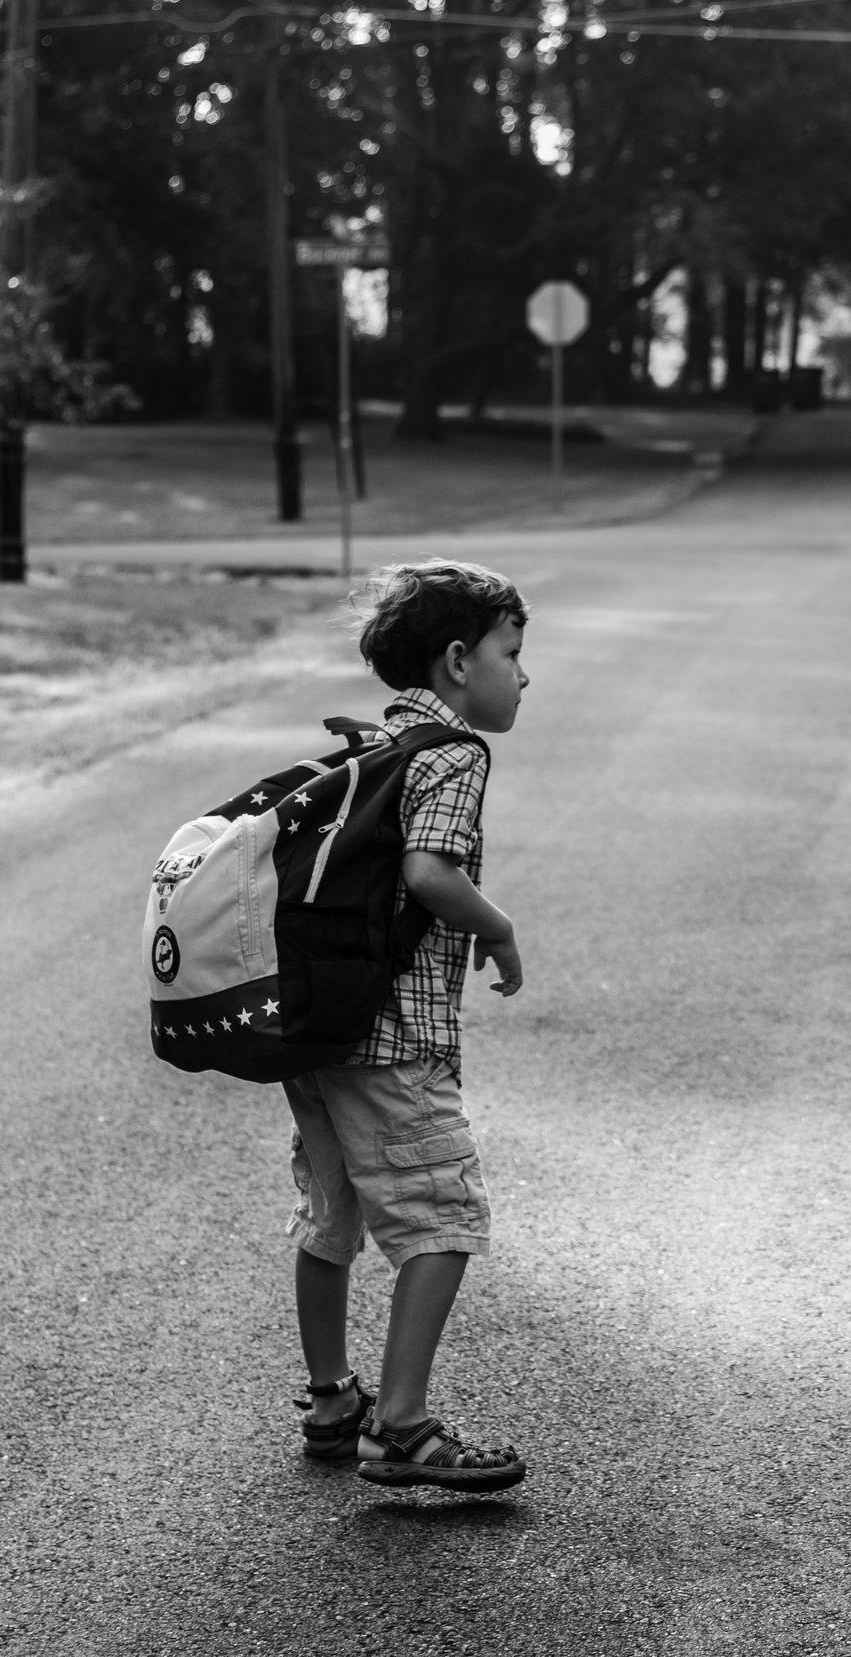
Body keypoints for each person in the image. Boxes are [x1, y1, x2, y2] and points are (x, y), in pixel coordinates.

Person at [283, 559, 532, 1494]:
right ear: (461, 661)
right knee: (443, 1216)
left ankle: (329, 1399)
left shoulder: (372, 744)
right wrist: (498, 928)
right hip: (395, 1042)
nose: (524, 674)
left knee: (329, 1215)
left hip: (322, 1035)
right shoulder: (454, 755)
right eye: (514, 653)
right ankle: (402, 1425)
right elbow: (431, 874)